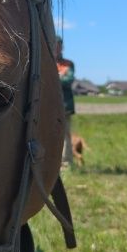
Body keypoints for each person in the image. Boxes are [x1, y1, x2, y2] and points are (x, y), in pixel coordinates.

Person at [55, 38, 75, 167]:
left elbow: (68, 80)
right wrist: (58, 76)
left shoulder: (68, 64)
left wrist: (54, 77)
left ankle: (66, 163)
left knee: (64, 133)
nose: (56, 48)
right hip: (47, 104)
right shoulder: (46, 61)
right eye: (54, 45)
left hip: (64, 105)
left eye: (59, 46)